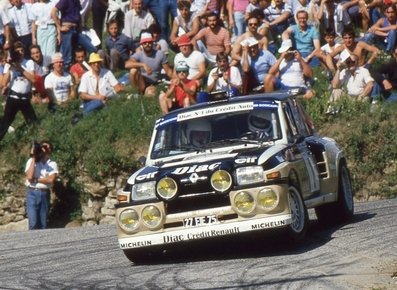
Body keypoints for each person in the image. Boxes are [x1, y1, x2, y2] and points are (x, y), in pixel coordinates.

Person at [0, 42, 36, 142]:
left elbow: (33, 79)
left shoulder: (29, 63)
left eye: (22, 50)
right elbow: (3, 83)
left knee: (33, 122)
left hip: (25, 99)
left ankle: (33, 141)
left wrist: (20, 68)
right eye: (18, 51)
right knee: (5, 123)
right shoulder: (10, 65)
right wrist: (11, 67)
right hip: (13, 98)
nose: (20, 53)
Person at [125, 32, 173, 96]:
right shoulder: (139, 54)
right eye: (145, 43)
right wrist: (143, 65)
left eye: (149, 42)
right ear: (142, 44)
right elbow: (127, 64)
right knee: (133, 70)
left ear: (152, 42)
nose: (147, 44)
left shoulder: (160, 54)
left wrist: (174, 79)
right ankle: (136, 92)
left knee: (150, 94)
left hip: (155, 82)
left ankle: (143, 93)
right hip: (142, 81)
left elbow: (168, 71)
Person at [25, 140, 58, 230]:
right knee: (33, 222)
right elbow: (29, 177)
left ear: (50, 150)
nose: (44, 149)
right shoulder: (31, 161)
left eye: (47, 147)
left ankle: (42, 242)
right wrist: (33, 157)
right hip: (32, 192)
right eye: (43, 146)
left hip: (44, 193)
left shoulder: (52, 164)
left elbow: (51, 180)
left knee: (43, 222)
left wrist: (36, 179)